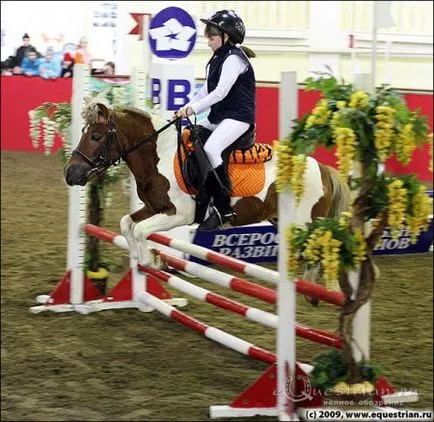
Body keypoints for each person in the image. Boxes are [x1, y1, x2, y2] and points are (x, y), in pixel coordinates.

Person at [174, 10, 256, 231]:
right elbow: (205, 92)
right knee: (191, 138)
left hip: (238, 118)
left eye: (212, 37)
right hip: (220, 116)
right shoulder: (216, 59)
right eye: (208, 37)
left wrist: (193, 109)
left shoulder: (235, 60)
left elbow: (219, 93)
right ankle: (203, 197)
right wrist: (185, 108)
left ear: (226, 36)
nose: (208, 42)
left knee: (211, 149)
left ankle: (223, 207)